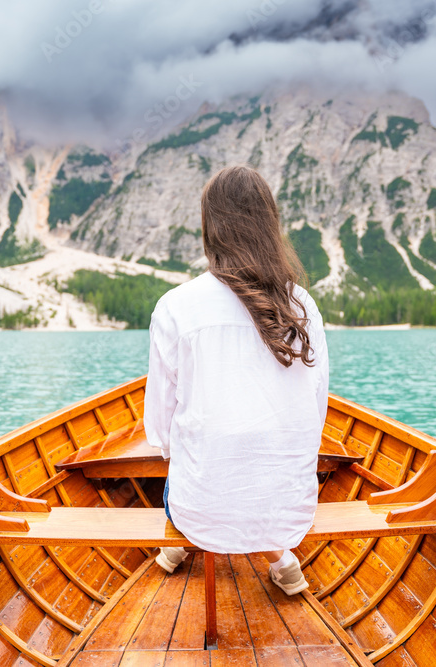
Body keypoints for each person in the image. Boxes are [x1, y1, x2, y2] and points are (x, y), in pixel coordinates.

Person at [143, 165, 329, 596]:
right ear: (269, 224)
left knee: (189, 467)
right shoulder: (302, 304)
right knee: (252, 475)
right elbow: (316, 409)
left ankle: (179, 543)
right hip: (289, 507)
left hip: (202, 504)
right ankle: (281, 558)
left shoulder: (176, 306)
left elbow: (159, 429)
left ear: (211, 228)